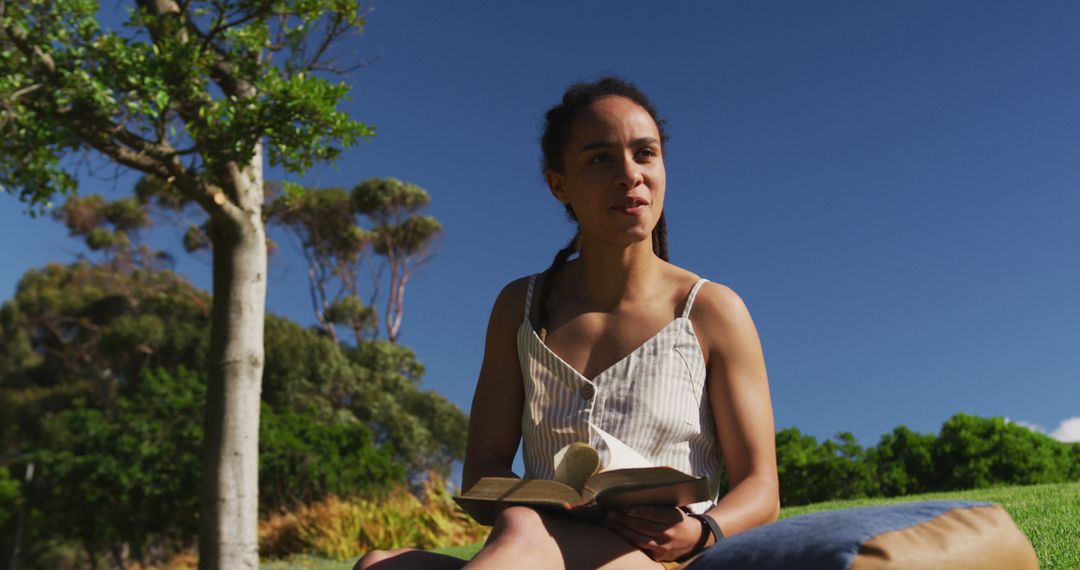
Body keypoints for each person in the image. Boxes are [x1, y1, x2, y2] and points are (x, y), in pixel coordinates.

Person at [357, 77, 779, 570]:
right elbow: (483, 468)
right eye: (601, 158)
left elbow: (762, 488)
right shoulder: (521, 307)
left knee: (522, 531)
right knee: (381, 564)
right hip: (543, 546)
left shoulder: (711, 310)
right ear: (560, 184)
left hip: (661, 562)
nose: (630, 175)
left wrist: (701, 532)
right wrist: (548, 502)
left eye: (645, 153)